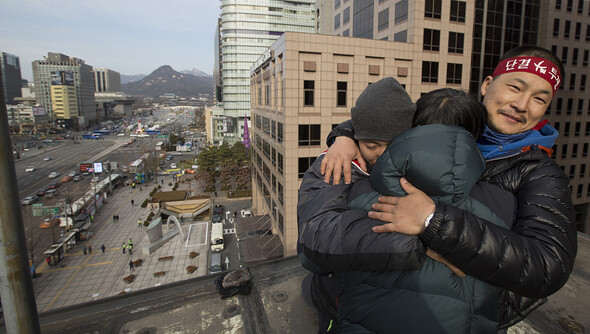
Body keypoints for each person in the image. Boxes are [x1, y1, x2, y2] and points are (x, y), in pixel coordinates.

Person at [314, 46, 577, 329]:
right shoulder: (448, 115)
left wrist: (433, 222)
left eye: (539, 99)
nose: (522, 105)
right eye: (515, 87)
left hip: (464, 313)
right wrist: (345, 136)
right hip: (361, 300)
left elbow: (548, 266)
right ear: (487, 84)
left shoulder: (539, 173)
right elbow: (384, 119)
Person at [339, 89, 515, 332]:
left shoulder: (362, 189)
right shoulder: (502, 202)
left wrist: (343, 135)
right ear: (475, 136)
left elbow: (322, 249)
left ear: (412, 131)